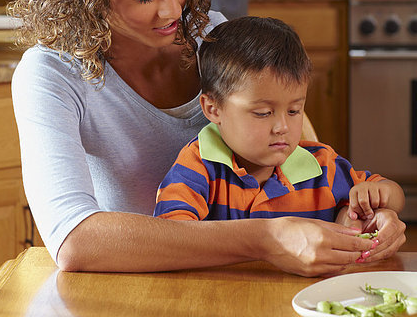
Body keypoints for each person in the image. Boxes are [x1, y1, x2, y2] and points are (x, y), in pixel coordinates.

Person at [9, 0, 404, 278]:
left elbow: (303, 165)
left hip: (248, 279)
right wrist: (264, 238)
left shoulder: (215, 38)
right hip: (134, 292)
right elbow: (74, 241)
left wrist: (358, 216)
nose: (172, 9)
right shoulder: (51, 75)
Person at [154, 16, 405, 260]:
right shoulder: (198, 168)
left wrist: (378, 200)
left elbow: (394, 196)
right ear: (213, 109)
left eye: (294, 110)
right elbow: (172, 236)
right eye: (263, 113)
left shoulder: (323, 165)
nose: (282, 127)